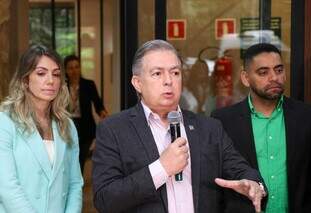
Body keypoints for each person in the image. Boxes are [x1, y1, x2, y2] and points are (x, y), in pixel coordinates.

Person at [92, 39, 267, 213]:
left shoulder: (209, 128)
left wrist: (255, 184)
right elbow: (105, 199)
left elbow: (242, 170)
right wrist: (162, 168)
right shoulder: (114, 130)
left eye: (175, 73)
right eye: (157, 74)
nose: (168, 81)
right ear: (137, 83)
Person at [212, 43, 311, 213]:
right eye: (263, 72)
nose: (274, 77)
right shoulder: (223, 121)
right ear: (245, 78)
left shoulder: (308, 116)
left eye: (278, 70)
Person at [0, 45, 83, 212]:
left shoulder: (67, 125)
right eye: (41, 73)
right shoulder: (6, 121)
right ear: (25, 80)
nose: (50, 80)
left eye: (56, 74)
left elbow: (75, 184)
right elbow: (8, 188)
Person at [64, 55, 108, 173]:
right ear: (66, 70)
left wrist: (103, 114)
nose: (74, 71)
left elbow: (98, 104)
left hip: (86, 127)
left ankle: (77, 184)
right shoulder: (62, 86)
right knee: (69, 157)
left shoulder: (88, 85)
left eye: (77, 67)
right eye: (70, 68)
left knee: (80, 157)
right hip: (67, 126)